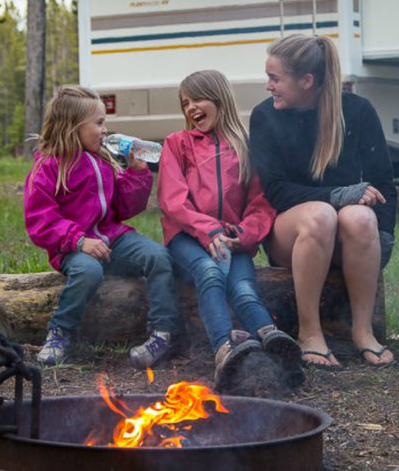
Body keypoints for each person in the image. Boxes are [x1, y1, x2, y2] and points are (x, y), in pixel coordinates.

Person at [250, 34, 397, 370]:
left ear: (306, 81)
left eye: (275, 78)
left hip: (346, 240)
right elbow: (275, 191)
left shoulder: (357, 111)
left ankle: (362, 331)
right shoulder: (264, 116)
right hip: (292, 235)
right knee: (321, 216)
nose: (268, 86)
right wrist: (338, 196)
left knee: (361, 217)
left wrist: (383, 236)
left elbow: (383, 182)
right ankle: (310, 332)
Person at [158, 70, 304, 388]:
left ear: (219, 98)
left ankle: (273, 342)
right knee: (209, 273)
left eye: (197, 99)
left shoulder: (244, 147)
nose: (190, 108)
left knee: (243, 288)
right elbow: (173, 201)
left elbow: (261, 204)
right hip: (187, 237)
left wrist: (241, 234)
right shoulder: (177, 144)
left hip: (231, 239)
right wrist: (209, 230)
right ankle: (224, 350)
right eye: (185, 103)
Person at [24, 85, 181, 368]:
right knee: (88, 271)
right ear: (73, 126)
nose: (105, 130)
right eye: (98, 123)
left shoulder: (102, 161)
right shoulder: (48, 167)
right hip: (72, 247)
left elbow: (122, 208)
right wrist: (79, 240)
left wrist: (137, 174)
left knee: (158, 256)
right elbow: (40, 219)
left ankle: (162, 333)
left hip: (111, 237)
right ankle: (60, 332)